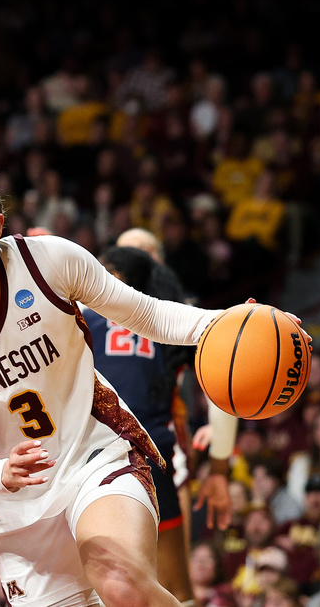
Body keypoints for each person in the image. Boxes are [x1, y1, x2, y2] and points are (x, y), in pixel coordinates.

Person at [0, 166, 307, 606]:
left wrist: (232, 323)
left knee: (122, 584)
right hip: (16, 503)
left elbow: (147, 314)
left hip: (95, 455)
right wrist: (0, 472)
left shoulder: (49, 261)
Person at [87, 245, 236, 603]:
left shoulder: (82, 314)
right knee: (175, 590)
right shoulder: (173, 321)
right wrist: (220, 463)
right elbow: (229, 373)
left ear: (116, 277)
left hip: (90, 460)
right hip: (157, 457)